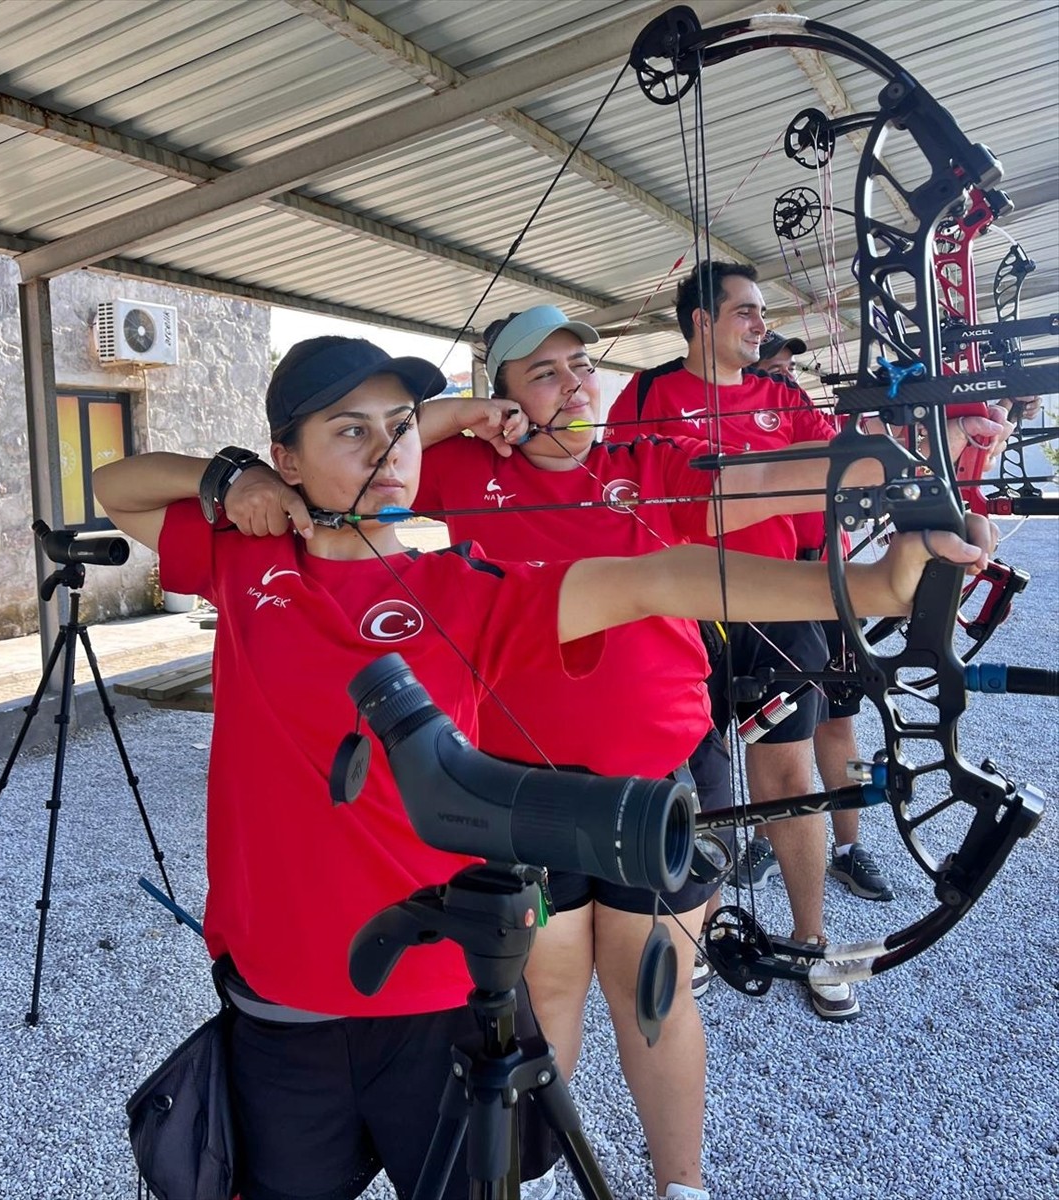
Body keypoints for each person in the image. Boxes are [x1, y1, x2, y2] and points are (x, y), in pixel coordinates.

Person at [92, 334, 993, 1200]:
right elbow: (114, 487)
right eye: (350, 429)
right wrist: (225, 475)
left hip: (441, 994)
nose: (388, 449)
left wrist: (872, 588)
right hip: (282, 996)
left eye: (402, 424)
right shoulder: (244, 557)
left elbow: (660, 580)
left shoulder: (462, 586)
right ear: (287, 458)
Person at [413, 304, 866, 1200]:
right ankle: (538, 1179)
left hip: (652, 780)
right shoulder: (466, 469)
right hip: (523, 791)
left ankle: (681, 1188)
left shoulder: (647, 463)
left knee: (655, 990)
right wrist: (461, 416)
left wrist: (890, 460)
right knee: (544, 1002)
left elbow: (778, 482)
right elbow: (366, 465)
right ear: (500, 398)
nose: (576, 384)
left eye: (580, 364)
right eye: (544, 374)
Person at [605, 261, 1009, 1022]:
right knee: (683, 779)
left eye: (762, 312)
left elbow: (851, 472)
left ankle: (810, 938)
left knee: (787, 777)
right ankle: (696, 933)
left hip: (780, 606)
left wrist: (941, 453)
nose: (761, 325)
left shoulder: (783, 394)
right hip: (677, 606)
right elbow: (627, 495)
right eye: (746, 312)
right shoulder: (649, 394)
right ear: (700, 321)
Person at [755, 331, 895, 901]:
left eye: (789, 366)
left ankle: (847, 846)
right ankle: (767, 841)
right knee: (771, 732)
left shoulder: (810, 418)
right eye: (771, 366)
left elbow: (869, 458)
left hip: (829, 582)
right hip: (771, 589)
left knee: (840, 721)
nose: (784, 375)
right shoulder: (740, 423)